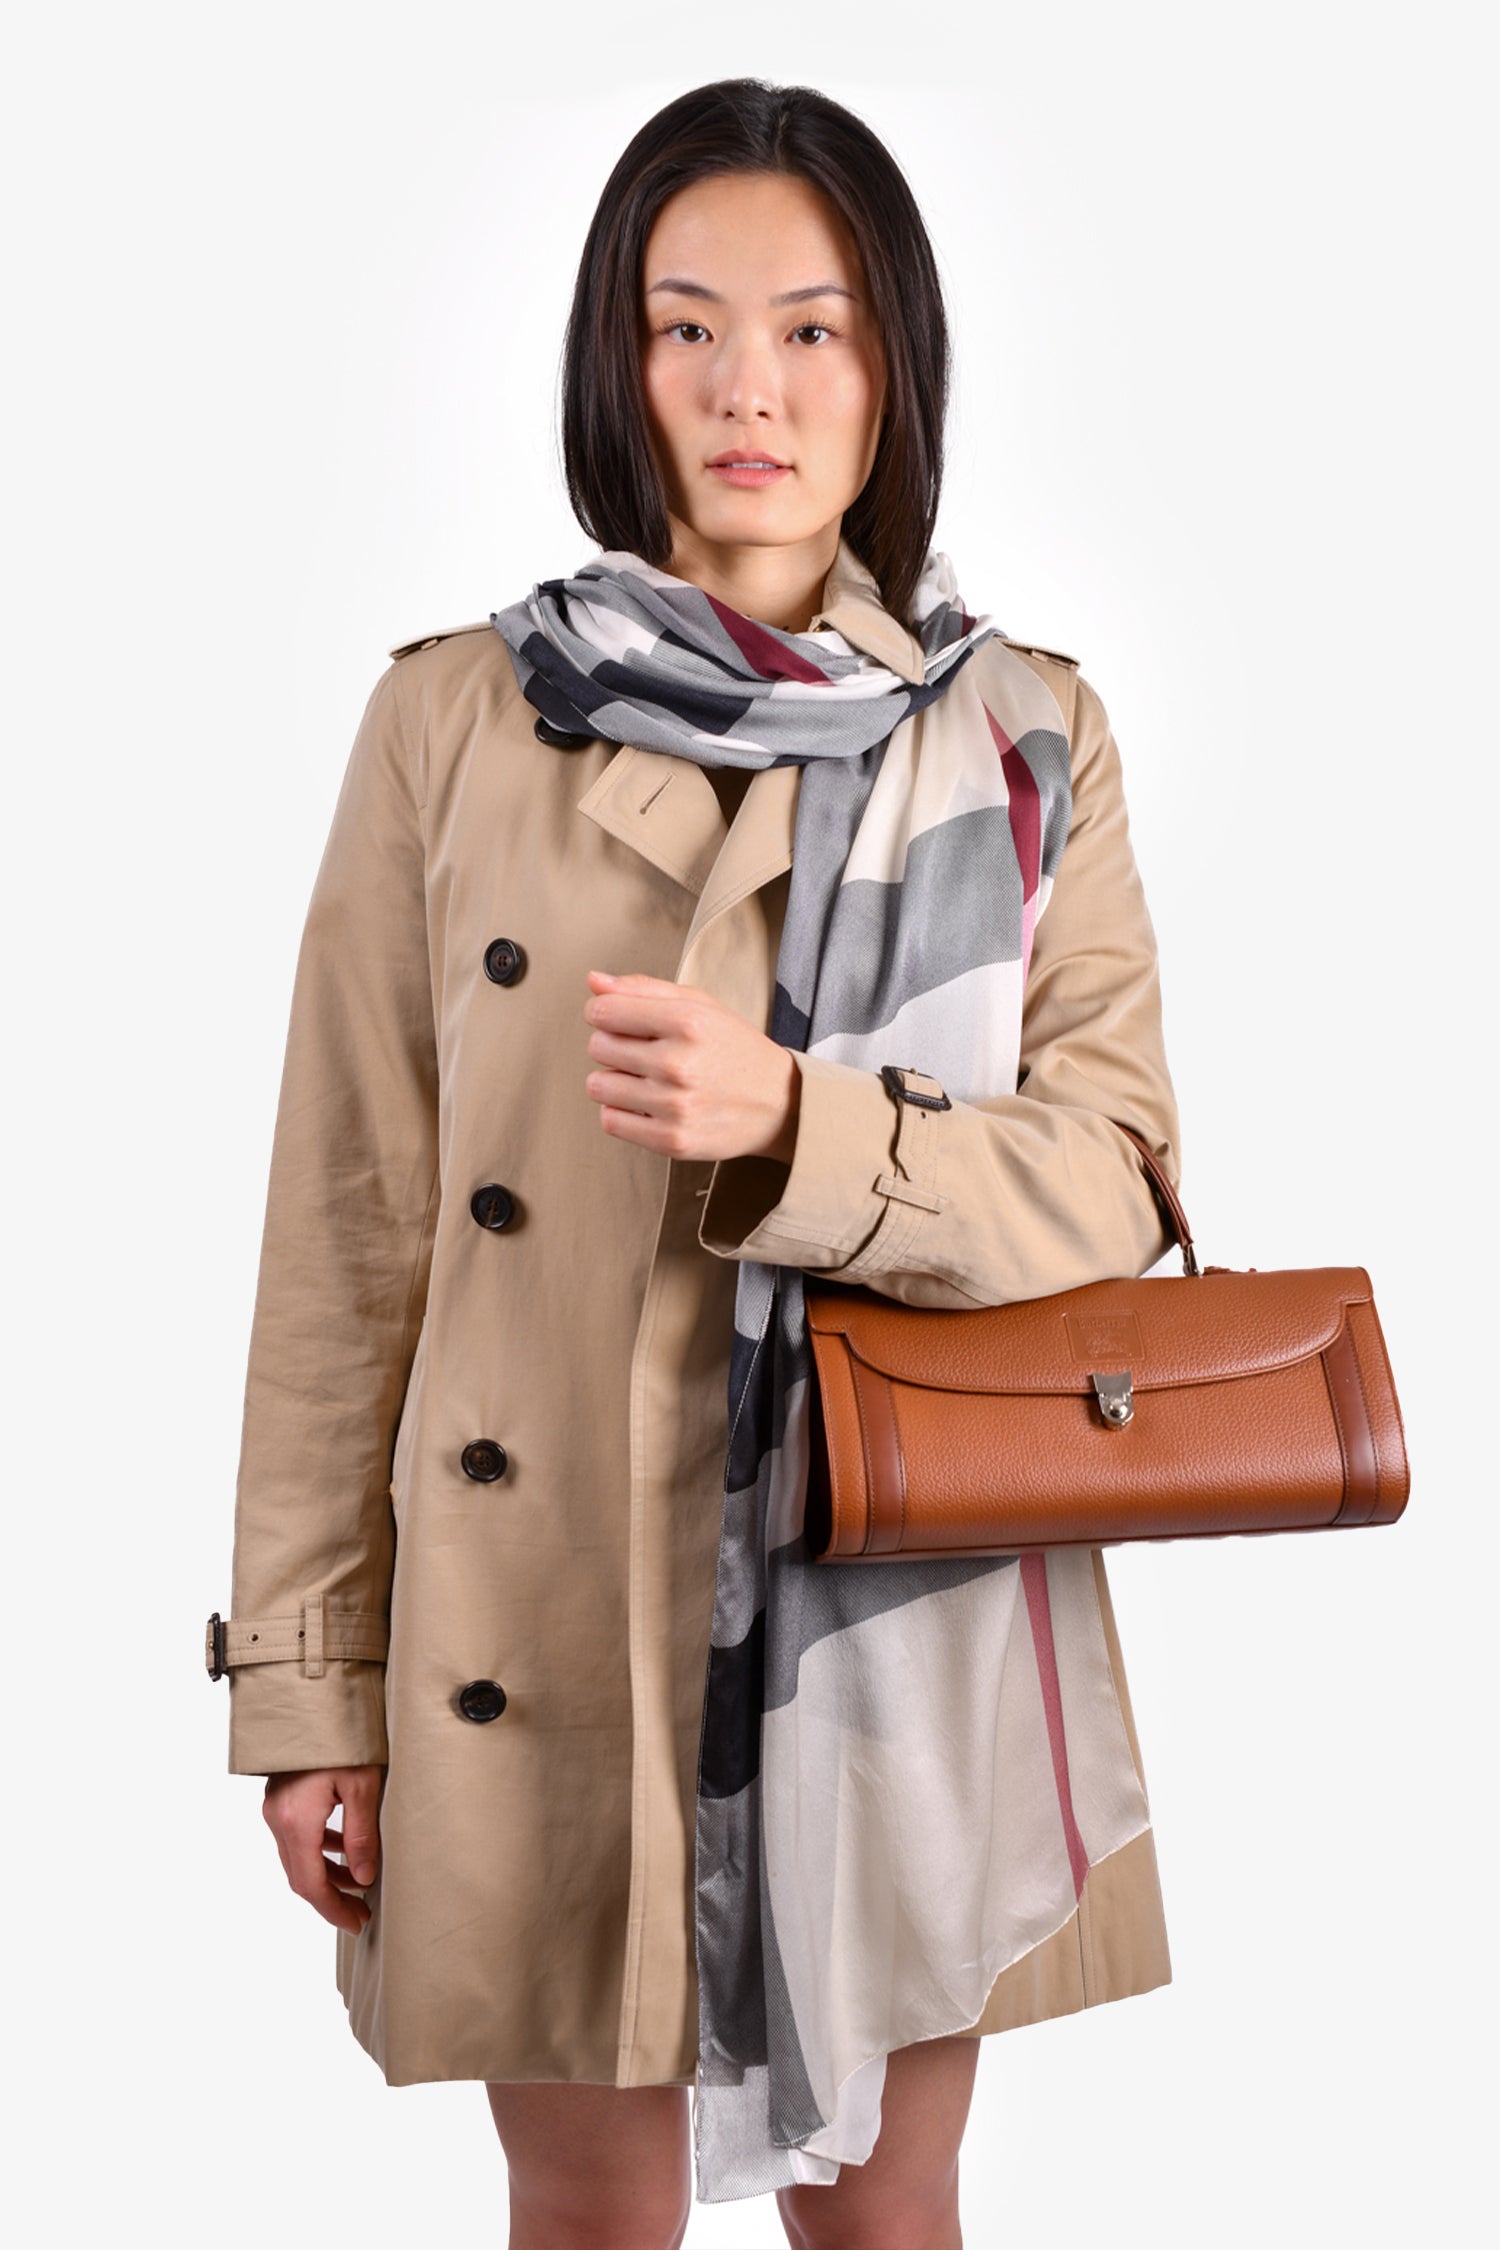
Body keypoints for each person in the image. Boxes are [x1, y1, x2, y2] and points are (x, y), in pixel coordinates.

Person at [210, 76, 1181, 2250]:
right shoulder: (454, 720)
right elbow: (345, 1237)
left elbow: (1114, 1179)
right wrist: (309, 1684)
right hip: (535, 1600)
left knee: (884, 2216)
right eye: (688, 326)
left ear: (893, 365)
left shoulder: (1021, 735)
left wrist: (800, 1129)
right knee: (585, 2220)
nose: (751, 387)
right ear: (617, 361)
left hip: (890, 1586)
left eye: (814, 328)